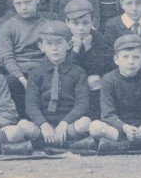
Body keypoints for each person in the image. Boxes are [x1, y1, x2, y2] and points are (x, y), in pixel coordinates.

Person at [23, 20, 95, 151]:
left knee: (85, 122)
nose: (54, 48)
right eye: (49, 44)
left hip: (68, 124)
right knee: (23, 125)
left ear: (69, 45)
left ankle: (46, 144)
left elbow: (82, 104)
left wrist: (65, 123)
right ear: (41, 46)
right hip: (44, 126)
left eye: (59, 43)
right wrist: (43, 125)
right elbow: (31, 105)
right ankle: (67, 144)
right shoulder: (36, 73)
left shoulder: (78, 72)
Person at [89, 35, 141, 152]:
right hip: (120, 129)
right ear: (116, 59)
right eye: (125, 57)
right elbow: (107, 114)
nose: (131, 61)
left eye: (136, 57)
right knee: (95, 127)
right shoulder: (108, 80)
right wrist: (124, 127)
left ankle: (123, 145)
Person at [0, 0, 53, 110]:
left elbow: (51, 54)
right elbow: (7, 57)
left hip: (41, 71)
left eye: (27, 2)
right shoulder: (8, 27)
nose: (23, 7)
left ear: (37, 0)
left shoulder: (47, 25)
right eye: (18, 3)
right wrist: (21, 79)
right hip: (18, 73)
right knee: (7, 83)